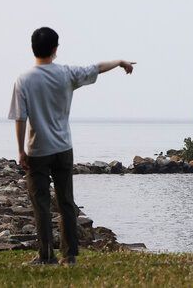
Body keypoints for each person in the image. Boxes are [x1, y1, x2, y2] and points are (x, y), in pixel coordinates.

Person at [9, 26, 134, 266]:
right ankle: (70, 255)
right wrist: (120, 62)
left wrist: (20, 150)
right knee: (66, 201)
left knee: (41, 204)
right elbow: (97, 67)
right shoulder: (66, 74)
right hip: (63, 147)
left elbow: (20, 118)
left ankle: (46, 255)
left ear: (33, 48)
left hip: (37, 149)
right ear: (55, 49)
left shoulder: (23, 80)